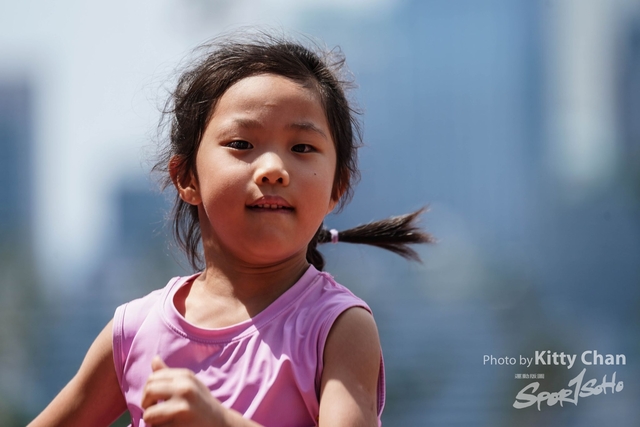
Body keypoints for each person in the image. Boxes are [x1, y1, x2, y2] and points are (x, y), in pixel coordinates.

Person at [28, 32, 433, 427]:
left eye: (302, 148)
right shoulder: (134, 330)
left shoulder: (339, 327)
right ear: (187, 177)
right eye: (241, 144)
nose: (273, 169)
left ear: (336, 189)